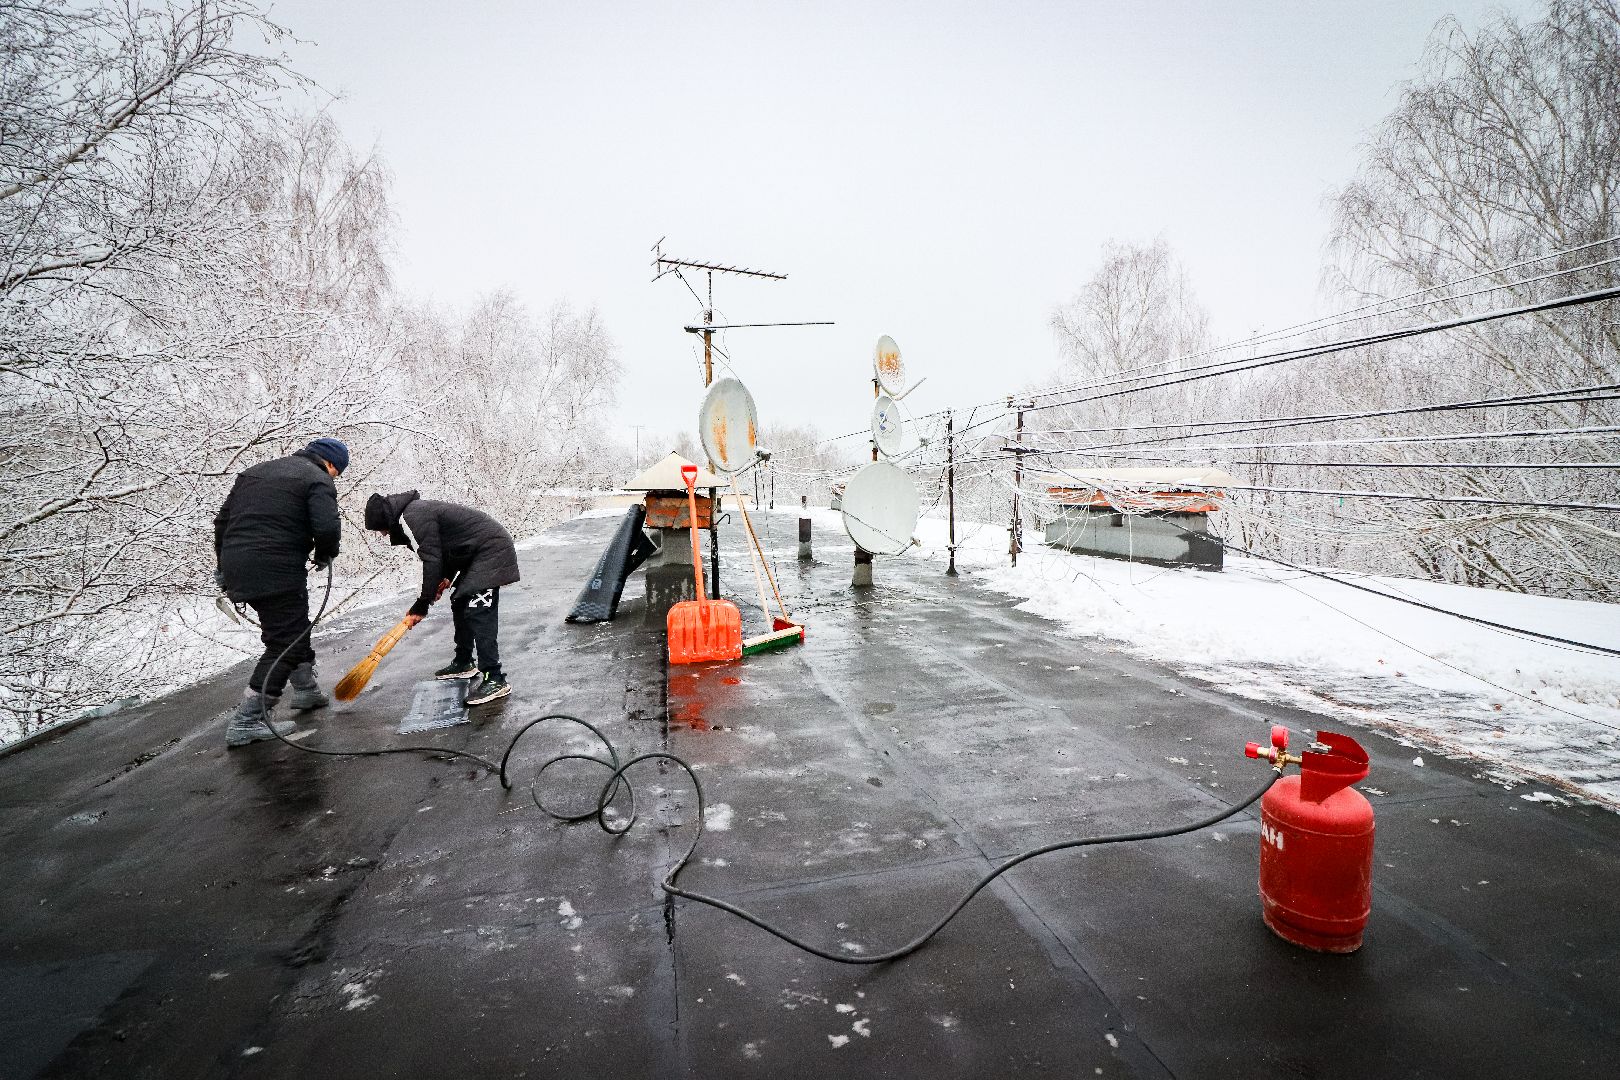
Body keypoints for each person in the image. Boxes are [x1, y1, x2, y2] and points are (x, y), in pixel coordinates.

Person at [214, 438, 348, 747]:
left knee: (291, 627)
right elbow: (326, 527)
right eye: (336, 472)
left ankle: (306, 691)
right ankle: (247, 720)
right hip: (276, 567)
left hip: (238, 564)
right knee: (284, 641)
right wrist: (325, 553)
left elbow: (222, 523)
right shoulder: (317, 479)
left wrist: (225, 565)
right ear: (330, 464)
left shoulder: (254, 473)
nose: (334, 478)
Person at [364, 490, 520, 705]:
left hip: (491, 551)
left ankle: (494, 678)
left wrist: (422, 604)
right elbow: (448, 546)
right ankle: (464, 662)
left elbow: (432, 560)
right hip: (474, 553)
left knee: (479, 610)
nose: (382, 534)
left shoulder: (412, 517)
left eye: (380, 529)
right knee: (460, 602)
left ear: (385, 519)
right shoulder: (412, 514)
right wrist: (445, 577)